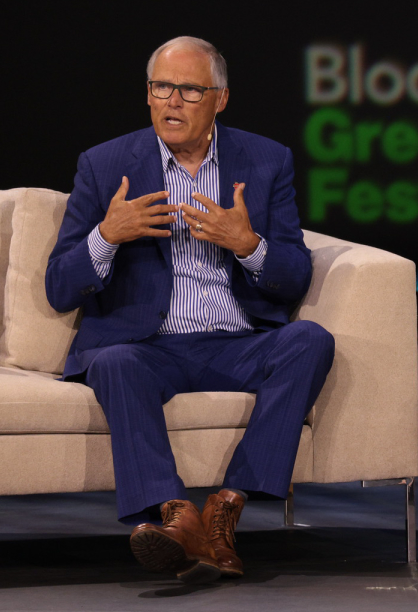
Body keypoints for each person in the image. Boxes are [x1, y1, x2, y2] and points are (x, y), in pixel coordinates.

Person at [45, 36, 335, 584]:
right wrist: (107, 236)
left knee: (311, 339)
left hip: (237, 342)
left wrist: (248, 244)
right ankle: (179, 517)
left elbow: (295, 274)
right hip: (149, 348)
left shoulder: (266, 161)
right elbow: (59, 286)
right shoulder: (105, 165)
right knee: (113, 363)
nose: (172, 102)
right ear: (148, 94)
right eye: (161, 88)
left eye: (189, 90)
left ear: (220, 99)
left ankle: (226, 504)